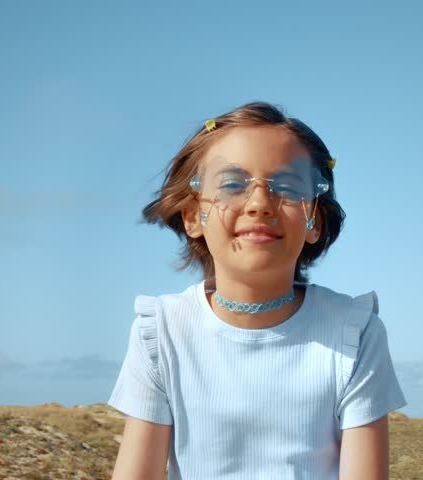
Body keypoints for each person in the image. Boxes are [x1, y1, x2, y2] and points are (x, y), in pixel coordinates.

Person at [108, 101, 407, 479]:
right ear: (191, 216)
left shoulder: (355, 332)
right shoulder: (161, 332)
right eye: (232, 184)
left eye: (287, 186)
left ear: (315, 219)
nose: (260, 203)